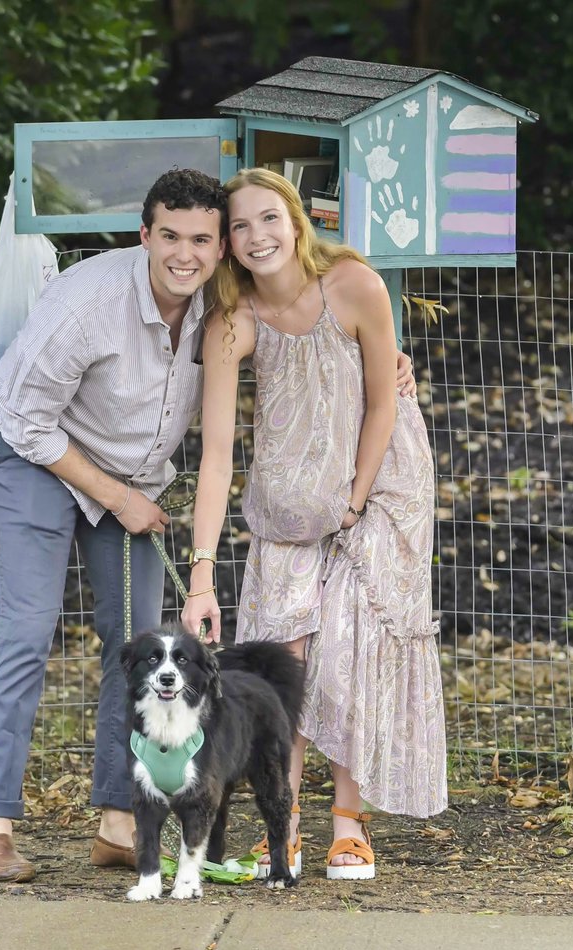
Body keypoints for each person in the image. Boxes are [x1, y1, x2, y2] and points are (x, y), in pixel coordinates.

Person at [0, 167, 415, 883]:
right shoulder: (88, 303)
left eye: (203, 239)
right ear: (145, 236)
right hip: (35, 457)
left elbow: (304, 320)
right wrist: (115, 495)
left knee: (142, 642)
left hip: (129, 482)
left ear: (221, 248)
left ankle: (119, 817)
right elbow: (22, 417)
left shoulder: (223, 298)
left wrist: (382, 360)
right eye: (169, 236)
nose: (186, 254)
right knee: (27, 628)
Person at [183, 168, 447, 881]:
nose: (257, 235)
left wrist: (355, 501)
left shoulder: (355, 285)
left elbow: (382, 403)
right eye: (240, 227)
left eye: (269, 218)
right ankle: (285, 827)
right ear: (230, 247)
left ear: (297, 220)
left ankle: (348, 824)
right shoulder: (232, 322)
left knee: (354, 647)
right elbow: (214, 456)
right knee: (282, 661)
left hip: (377, 482)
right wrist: (202, 571)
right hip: (289, 504)